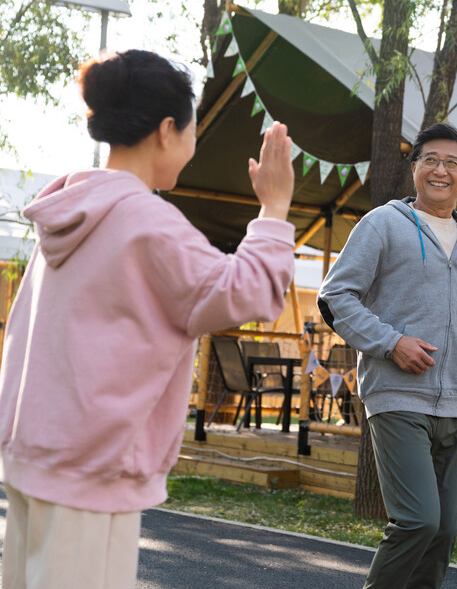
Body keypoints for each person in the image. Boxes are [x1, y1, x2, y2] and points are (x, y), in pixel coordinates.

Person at [0, 49, 297, 589]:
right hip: (90, 466)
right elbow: (245, 291)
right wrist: (274, 209)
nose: (191, 146)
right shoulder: (145, 220)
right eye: (191, 132)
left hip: (34, 455)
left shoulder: (69, 209)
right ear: (166, 130)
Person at [317, 122, 457, 589]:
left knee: (443, 533)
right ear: (414, 168)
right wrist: (391, 342)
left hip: (456, 401)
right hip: (397, 396)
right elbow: (335, 298)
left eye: (452, 163)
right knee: (417, 521)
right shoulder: (382, 223)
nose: (441, 170)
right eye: (430, 160)